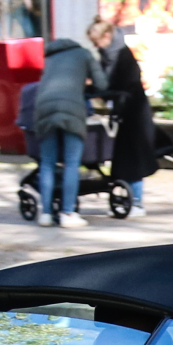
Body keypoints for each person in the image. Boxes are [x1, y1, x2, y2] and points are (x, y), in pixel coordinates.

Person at [18, 33, 104, 228]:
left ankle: (46, 214)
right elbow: (102, 83)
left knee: (47, 162)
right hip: (71, 109)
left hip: (43, 109)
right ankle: (67, 213)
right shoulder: (84, 54)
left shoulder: (50, 57)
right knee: (72, 163)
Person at [88, 18, 161, 219]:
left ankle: (136, 202)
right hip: (125, 111)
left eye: (96, 41)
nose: (95, 46)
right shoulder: (109, 54)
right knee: (125, 159)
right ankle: (130, 199)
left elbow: (124, 84)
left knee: (133, 158)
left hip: (134, 112)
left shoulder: (121, 54)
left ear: (107, 36)